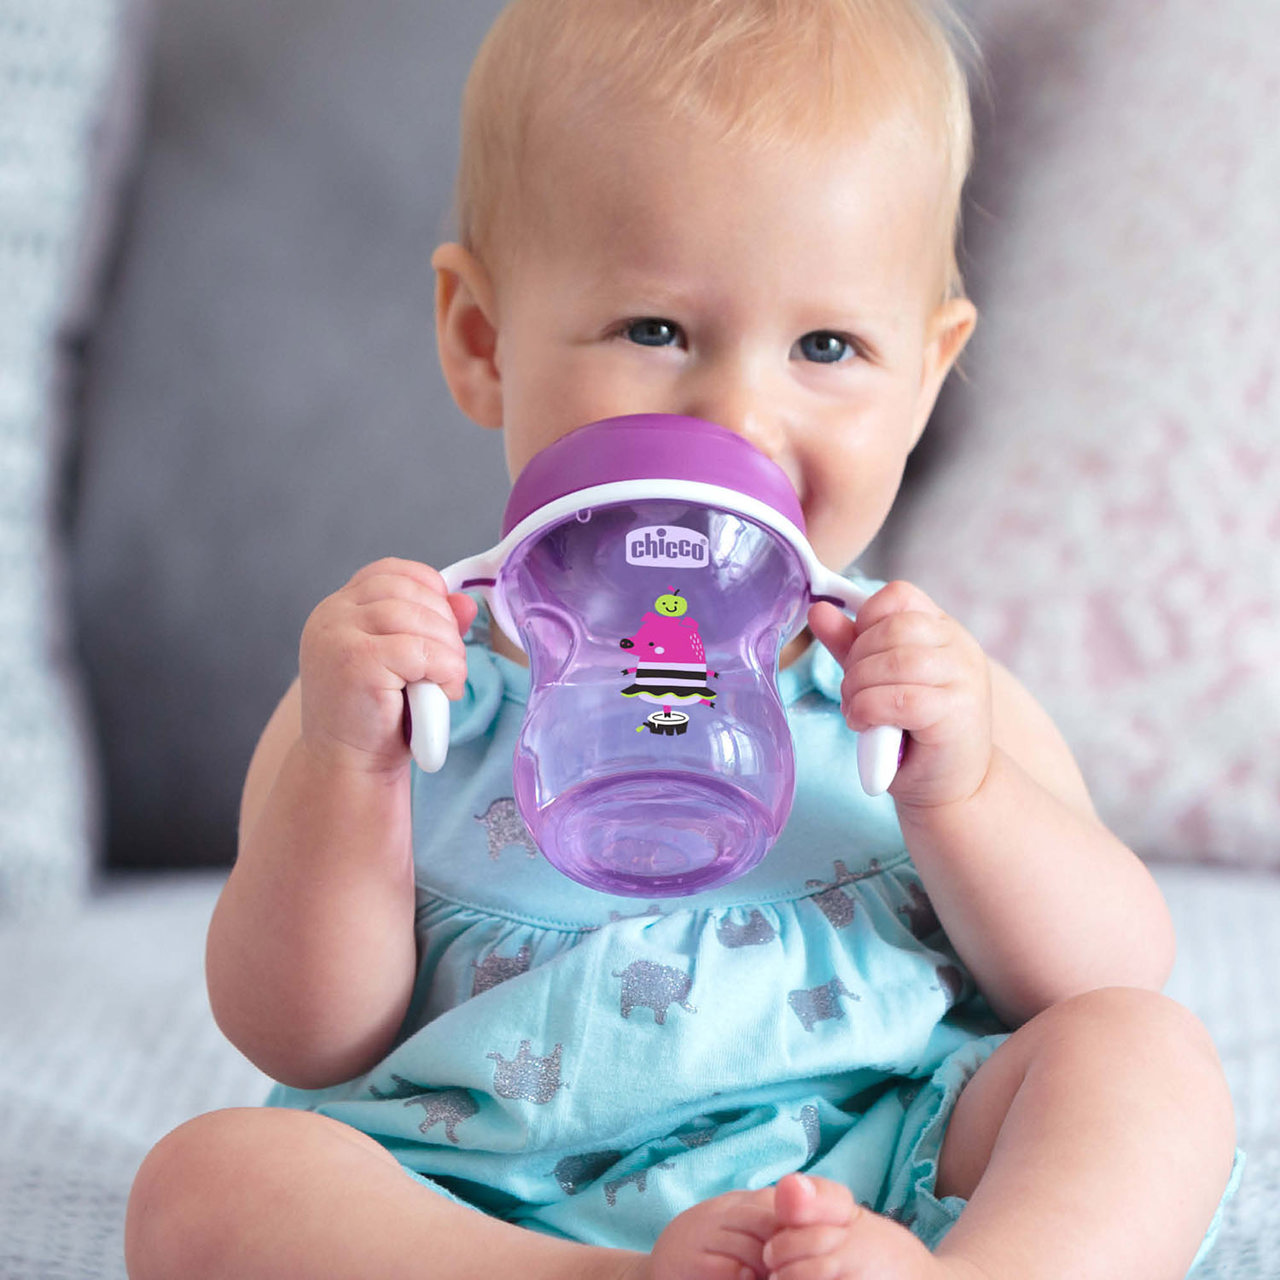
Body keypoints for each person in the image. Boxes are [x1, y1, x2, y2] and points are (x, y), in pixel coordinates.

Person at [125, 2, 1242, 1277]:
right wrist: (347, 768)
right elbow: (299, 1034)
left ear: (923, 379)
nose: (736, 415)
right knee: (208, 1181)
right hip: (480, 1195)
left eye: (826, 345)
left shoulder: (907, 684)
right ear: (481, 340)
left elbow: (1108, 968)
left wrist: (964, 790)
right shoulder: (409, 685)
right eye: (655, 330)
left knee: (1138, 1055)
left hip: (881, 1165)